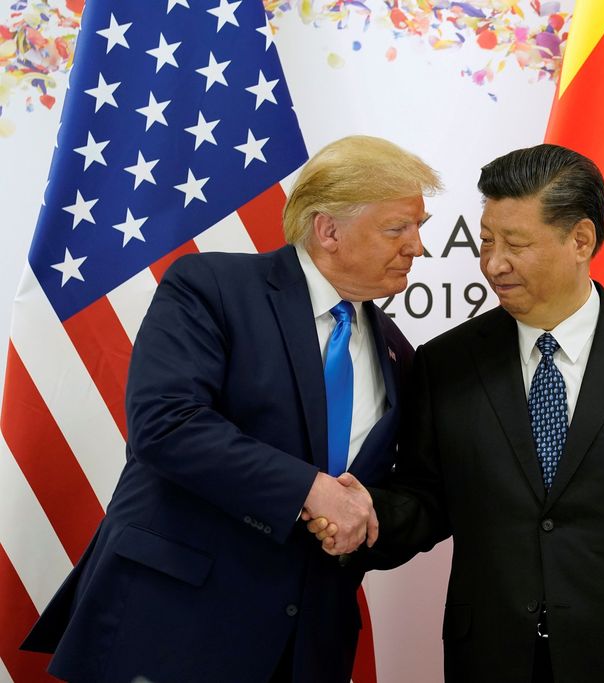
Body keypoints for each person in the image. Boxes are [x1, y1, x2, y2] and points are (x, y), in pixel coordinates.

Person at [312, 143, 604, 682]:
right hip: (494, 660)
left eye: (516, 244)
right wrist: (364, 515)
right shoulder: (447, 363)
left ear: (581, 240)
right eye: (487, 241)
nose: (494, 264)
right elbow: (426, 502)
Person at [21, 135, 442, 683]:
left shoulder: (392, 347)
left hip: (305, 649)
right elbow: (165, 423)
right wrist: (310, 491)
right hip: (174, 628)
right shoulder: (213, 287)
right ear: (329, 229)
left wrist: (366, 516)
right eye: (398, 229)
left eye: (419, 228)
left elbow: (404, 488)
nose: (417, 247)